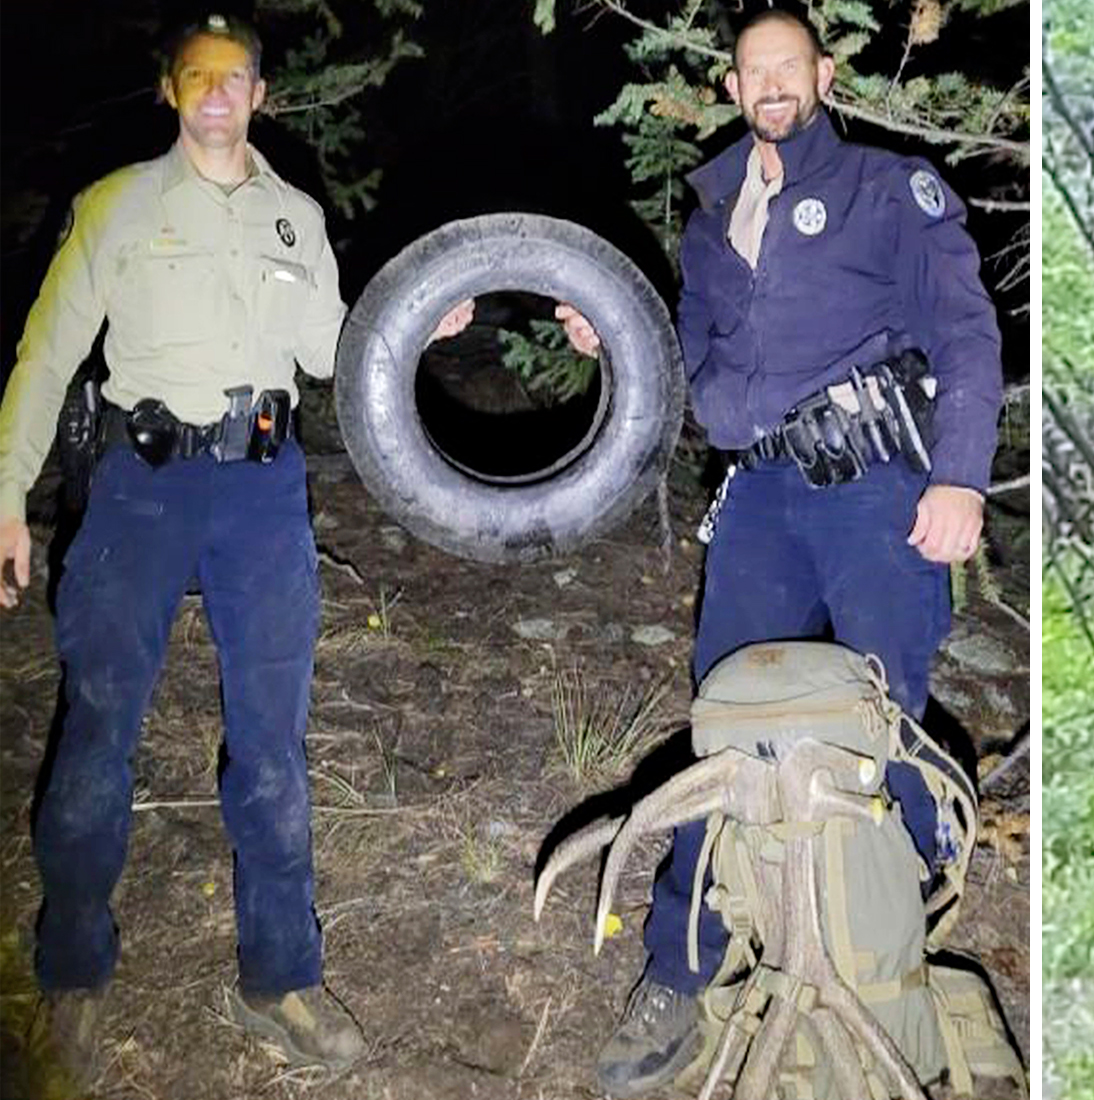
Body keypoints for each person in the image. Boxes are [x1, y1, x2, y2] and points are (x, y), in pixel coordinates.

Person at [0, 12, 522, 1084]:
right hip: (140, 489)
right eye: (198, 77)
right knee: (99, 730)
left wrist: (417, 321)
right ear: (171, 91)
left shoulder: (295, 218)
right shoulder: (117, 206)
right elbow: (46, 355)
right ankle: (72, 974)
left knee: (273, 744)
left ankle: (279, 975)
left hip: (262, 492)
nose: (217, 94)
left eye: (235, 79)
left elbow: (333, 355)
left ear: (261, 96)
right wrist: (7, 495)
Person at [569, 8, 1005, 1096]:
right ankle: (681, 967)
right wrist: (615, 340)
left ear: (822, 74)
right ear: (731, 86)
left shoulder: (885, 188)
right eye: (751, 70)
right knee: (724, 719)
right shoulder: (715, 214)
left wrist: (961, 473)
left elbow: (965, 331)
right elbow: (701, 366)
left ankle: (889, 960)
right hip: (761, 490)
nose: (771, 84)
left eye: (788, 66)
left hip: (880, 490)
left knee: (888, 717)